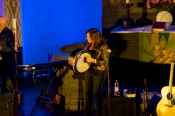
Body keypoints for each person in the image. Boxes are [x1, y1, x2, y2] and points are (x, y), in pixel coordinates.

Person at [83, 28, 109, 116]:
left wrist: (93, 60)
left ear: (93, 37)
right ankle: (87, 113)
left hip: (99, 71)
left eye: (88, 36)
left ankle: (99, 113)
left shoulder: (103, 46)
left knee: (96, 94)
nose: (86, 38)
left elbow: (104, 62)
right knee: (87, 93)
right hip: (89, 70)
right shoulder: (88, 44)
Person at [0, 16, 15, 94]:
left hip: (5, 62)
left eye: (2, 23)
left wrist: (1, 48)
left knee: (7, 82)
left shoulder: (8, 33)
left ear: (5, 23)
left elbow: (11, 48)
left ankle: (12, 99)